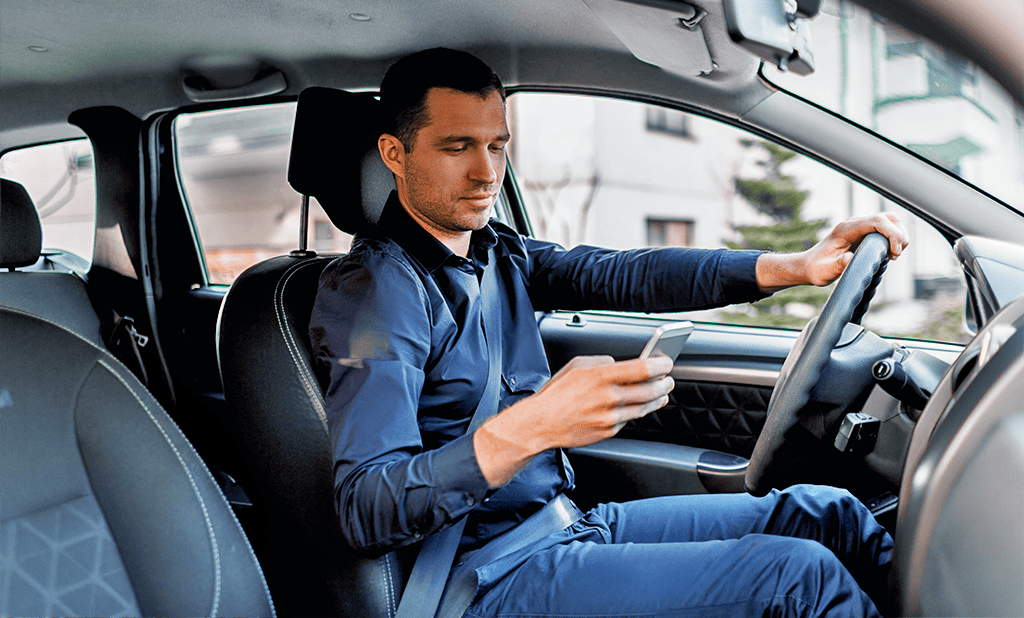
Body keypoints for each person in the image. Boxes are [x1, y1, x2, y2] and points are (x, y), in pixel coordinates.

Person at [309, 47, 909, 617]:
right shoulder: (375, 293)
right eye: (456, 147)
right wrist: (533, 424)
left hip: (565, 522)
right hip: (484, 575)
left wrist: (795, 268)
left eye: (497, 145)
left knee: (828, 515)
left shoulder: (497, 254)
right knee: (798, 578)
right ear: (394, 153)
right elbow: (367, 507)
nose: (485, 172)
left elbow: (623, 273)